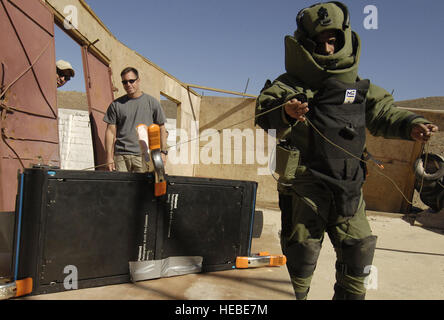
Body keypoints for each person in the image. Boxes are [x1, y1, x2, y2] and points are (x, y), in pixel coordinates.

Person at [255, 1, 438, 300]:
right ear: (305, 44)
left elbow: (385, 114)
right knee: (298, 264)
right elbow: (265, 111)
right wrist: (286, 112)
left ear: (345, 40)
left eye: (333, 41)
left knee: (359, 253)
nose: (327, 49)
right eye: (320, 42)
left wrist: (413, 124)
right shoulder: (290, 85)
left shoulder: (358, 88)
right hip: (306, 189)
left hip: (349, 187)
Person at [103, 67, 168, 172]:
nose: (128, 84)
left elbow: (162, 128)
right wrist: (109, 157)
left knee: (142, 188)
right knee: (121, 188)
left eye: (131, 81)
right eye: (124, 82)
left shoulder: (152, 103)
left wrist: (163, 153)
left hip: (144, 156)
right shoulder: (116, 105)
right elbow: (110, 132)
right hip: (121, 157)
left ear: (138, 80)